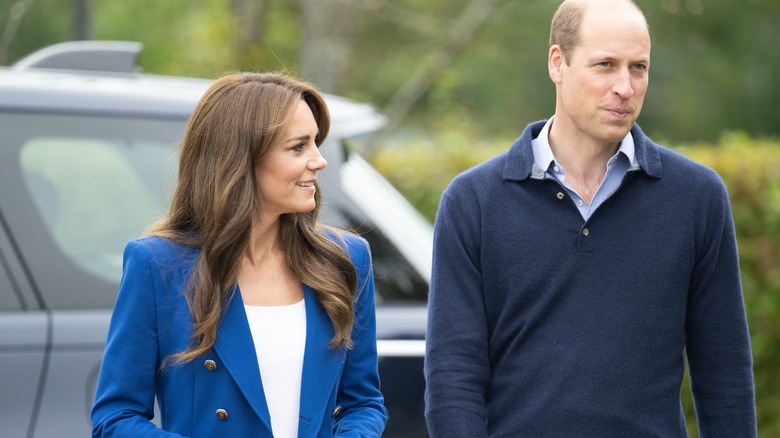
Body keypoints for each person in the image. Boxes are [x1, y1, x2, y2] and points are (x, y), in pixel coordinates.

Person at [424, 0, 757, 436]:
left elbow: (725, 374)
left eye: (638, 67)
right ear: (557, 63)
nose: (625, 86)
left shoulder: (697, 197)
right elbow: (453, 376)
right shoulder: (473, 201)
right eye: (605, 65)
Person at [91, 72, 388, 437]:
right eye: (299, 146)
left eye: (316, 143)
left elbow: (363, 402)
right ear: (241, 158)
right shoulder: (158, 264)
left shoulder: (345, 259)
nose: (319, 160)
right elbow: (115, 418)